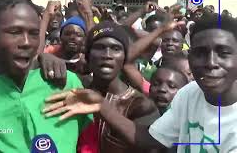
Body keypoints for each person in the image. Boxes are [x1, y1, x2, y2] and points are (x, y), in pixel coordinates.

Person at [43, 13, 237, 152]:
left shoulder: (141, 104)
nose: (211, 63)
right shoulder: (190, 94)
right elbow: (150, 139)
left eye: (224, 53)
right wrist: (101, 105)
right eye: (201, 53)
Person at [0, 0, 91, 153]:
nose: (26, 42)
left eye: (34, 33)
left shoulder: (66, 82)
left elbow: (88, 143)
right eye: (14, 32)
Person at [53, 21, 160, 153]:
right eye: (99, 47)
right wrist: (44, 58)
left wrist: (103, 108)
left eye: (116, 49)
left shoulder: (140, 105)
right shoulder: (76, 87)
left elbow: (151, 144)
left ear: (124, 58)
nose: (107, 55)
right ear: (87, 55)